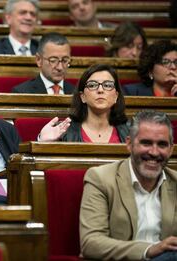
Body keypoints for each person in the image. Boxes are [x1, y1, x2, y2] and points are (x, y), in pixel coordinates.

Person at [80, 110, 177, 260]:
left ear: (171, 149)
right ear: (129, 144)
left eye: (162, 144)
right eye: (146, 143)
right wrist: (149, 250)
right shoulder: (101, 178)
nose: (154, 152)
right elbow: (91, 243)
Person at [38, 64, 128, 143]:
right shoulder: (63, 131)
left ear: (116, 96)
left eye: (108, 85)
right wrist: (42, 142)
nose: (100, 90)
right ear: (82, 96)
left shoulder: (131, 132)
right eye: (92, 85)